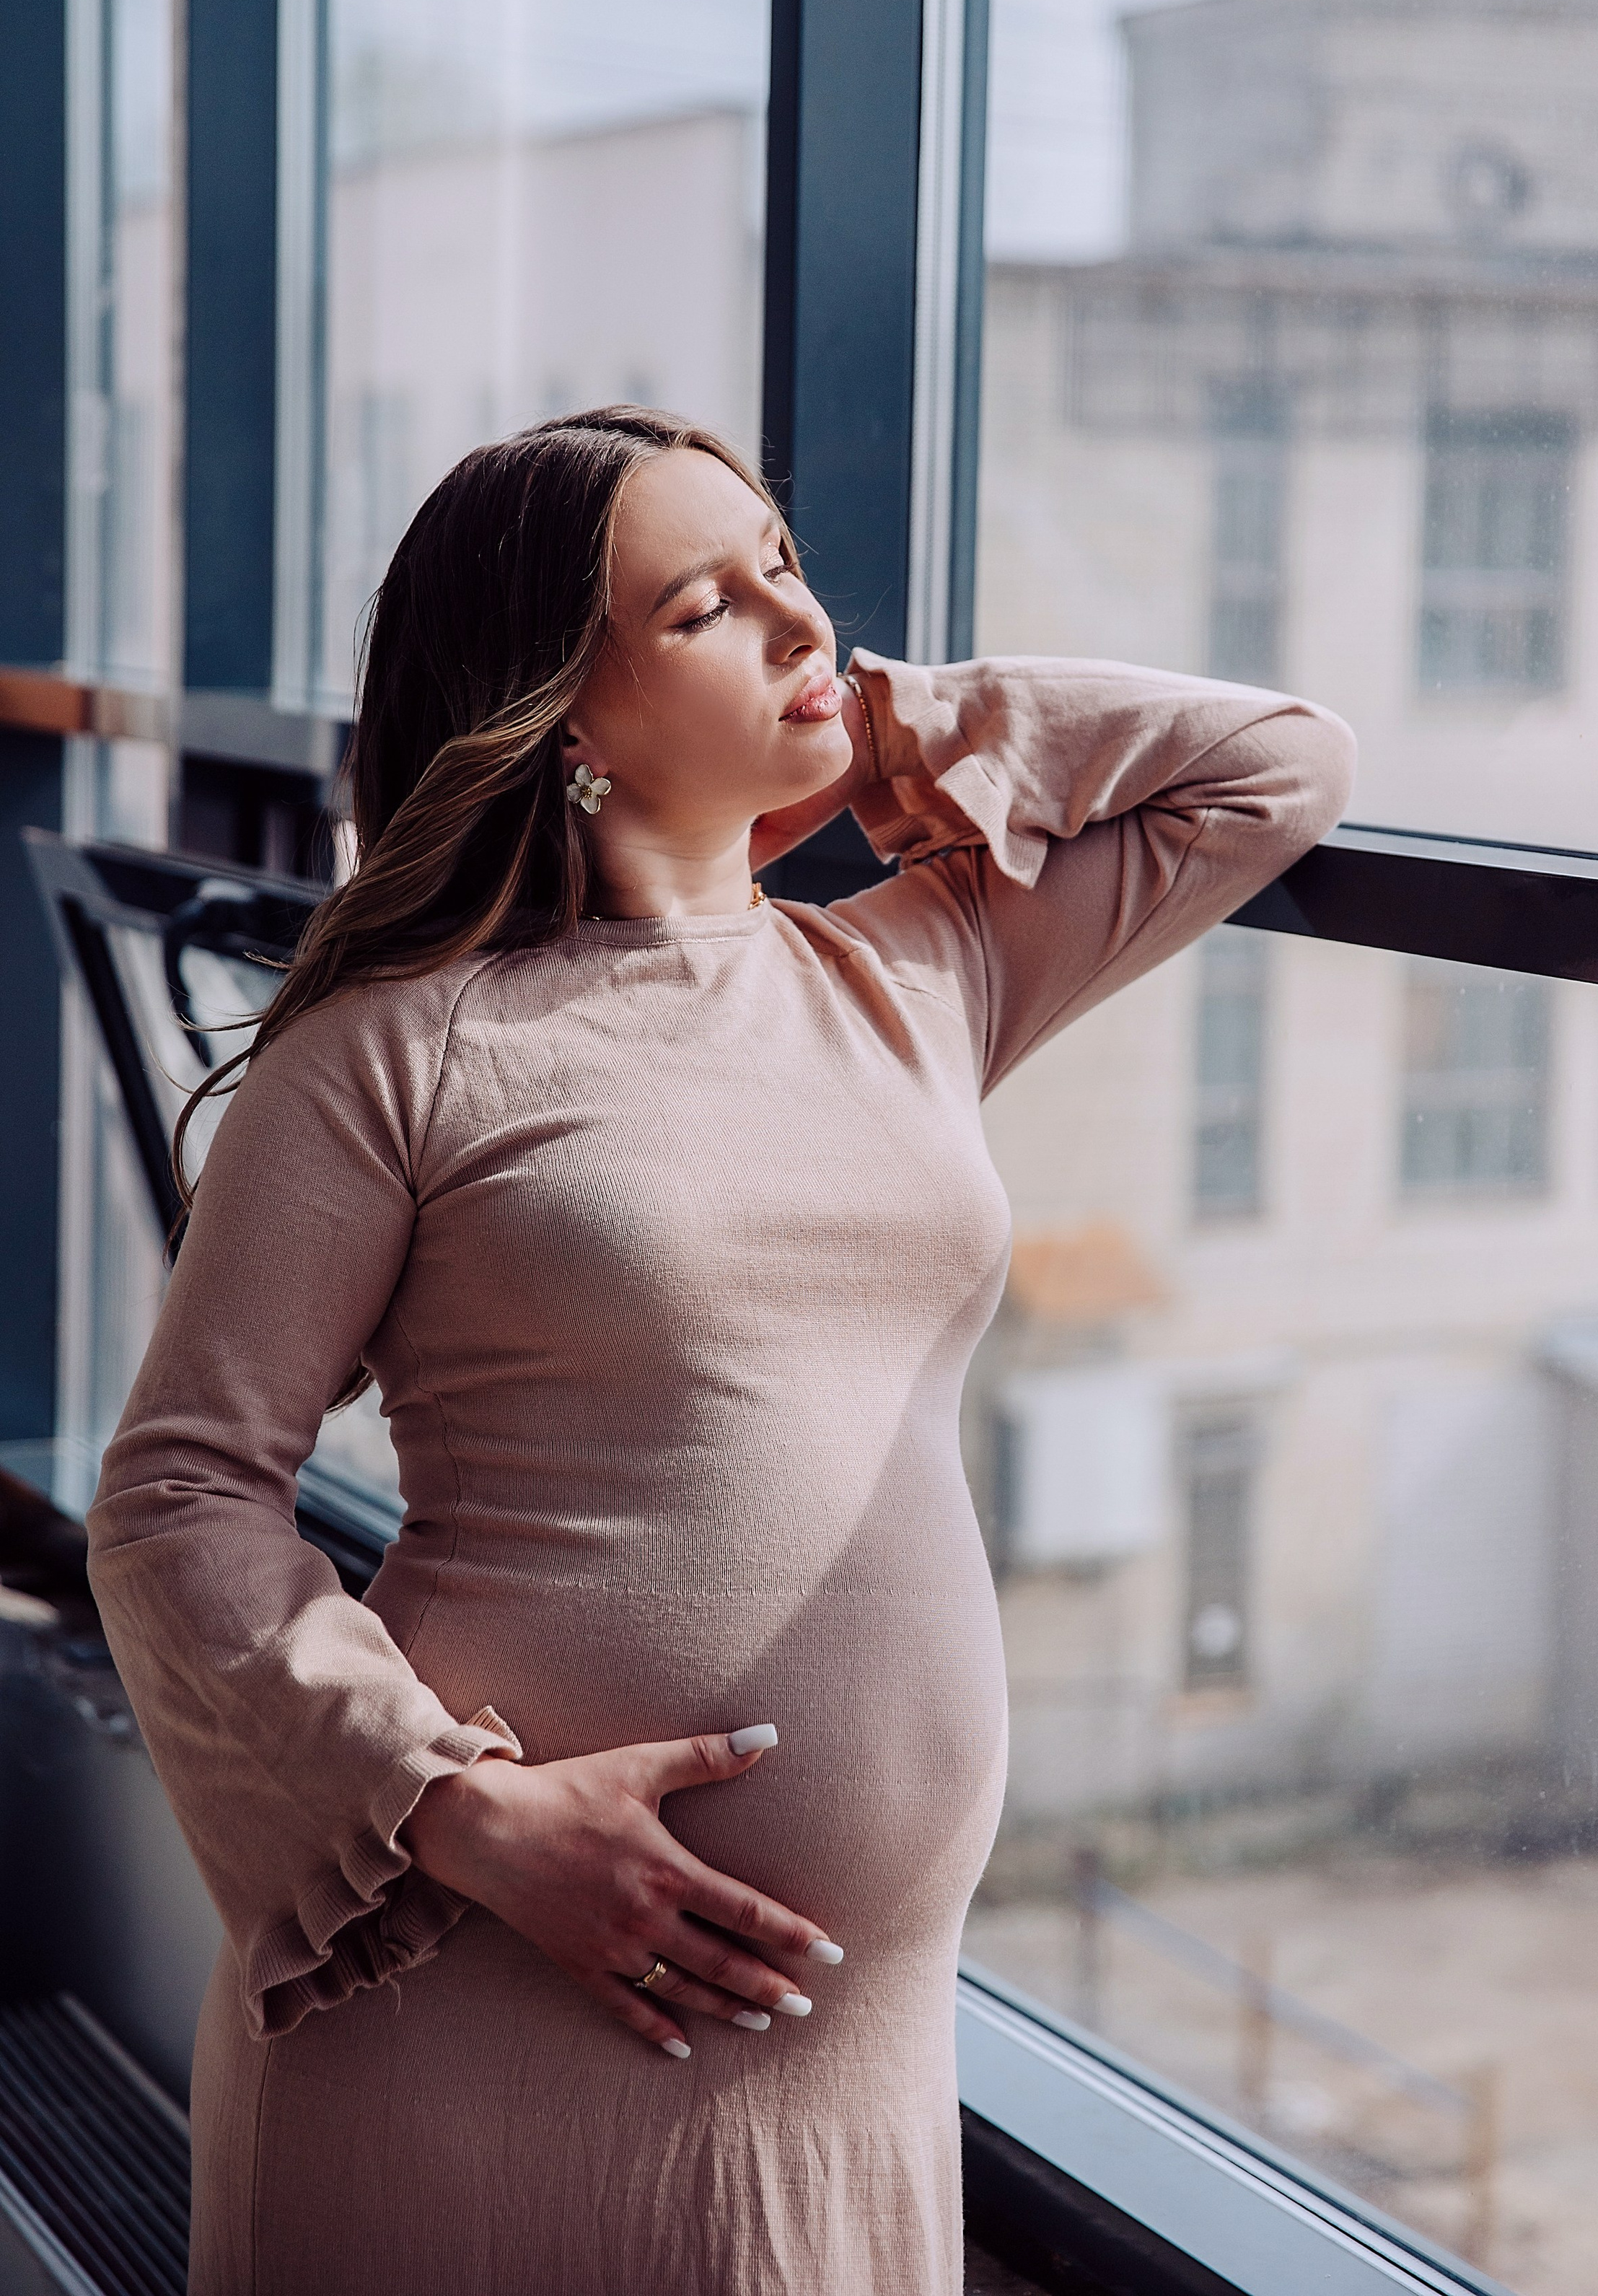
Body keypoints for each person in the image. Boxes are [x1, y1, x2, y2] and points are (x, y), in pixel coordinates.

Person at [86, 408, 1354, 2294]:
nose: (798, 624)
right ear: (564, 716)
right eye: (710, 605)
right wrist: (466, 1819)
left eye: (788, 567)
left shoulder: (916, 972)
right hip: (480, 2012)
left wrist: (892, 725)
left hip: (846, 2062)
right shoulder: (397, 1048)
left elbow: (1271, 769)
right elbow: (181, 1494)